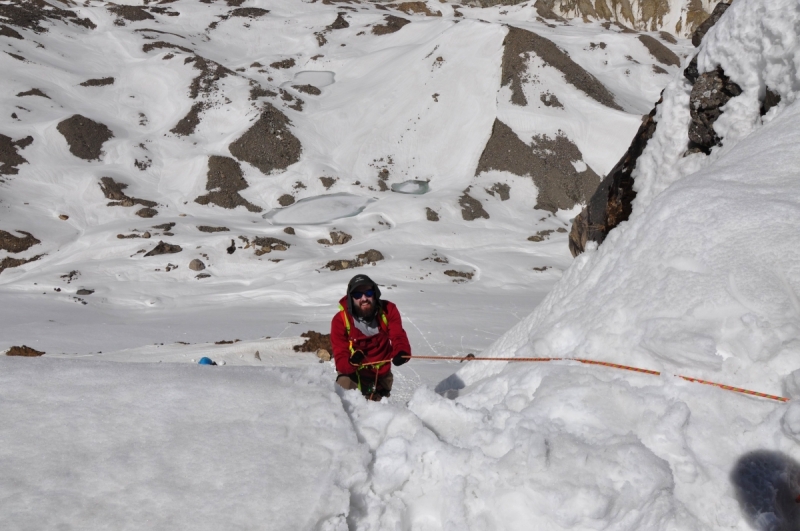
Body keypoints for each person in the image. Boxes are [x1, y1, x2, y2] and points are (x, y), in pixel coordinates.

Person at [330, 274, 411, 400]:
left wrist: (402, 351)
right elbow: (340, 354)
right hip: (354, 374)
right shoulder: (340, 320)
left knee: (377, 412)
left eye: (368, 292)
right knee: (344, 385)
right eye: (357, 295)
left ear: (375, 293)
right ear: (351, 298)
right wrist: (351, 362)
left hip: (381, 376)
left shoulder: (388, 310)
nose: (364, 298)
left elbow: (398, 335)